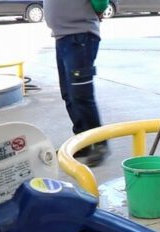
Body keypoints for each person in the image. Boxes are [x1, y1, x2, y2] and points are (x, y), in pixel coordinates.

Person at [44, 0, 110, 167]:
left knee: (81, 95)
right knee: (68, 94)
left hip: (80, 37)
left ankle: (100, 143)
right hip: (63, 37)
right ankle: (83, 142)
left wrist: (99, 10)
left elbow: (101, 3)